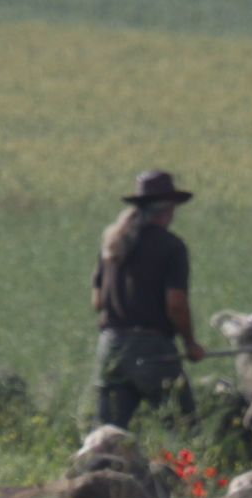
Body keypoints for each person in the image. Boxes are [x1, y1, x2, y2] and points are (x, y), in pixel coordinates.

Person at [90, 170, 207, 427]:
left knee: (106, 434)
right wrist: (190, 344)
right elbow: (176, 304)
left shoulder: (112, 244)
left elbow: (98, 302)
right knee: (184, 430)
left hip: (110, 347)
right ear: (169, 208)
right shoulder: (171, 246)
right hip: (153, 350)